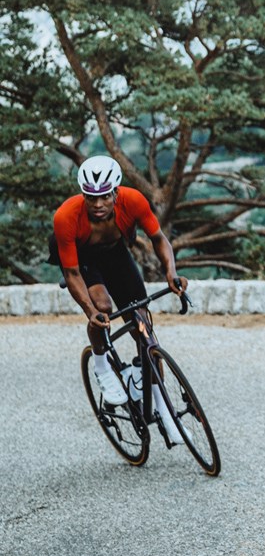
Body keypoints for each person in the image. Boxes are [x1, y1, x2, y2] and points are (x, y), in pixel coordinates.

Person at [49, 154, 187, 444]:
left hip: (114, 253)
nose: (98, 204)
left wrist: (171, 274)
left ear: (116, 191)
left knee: (145, 330)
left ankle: (165, 411)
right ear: (83, 194)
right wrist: (89, 311)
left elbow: (159, 238)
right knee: (102, 307)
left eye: (104, 197)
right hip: (82, 258)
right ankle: (102, 366)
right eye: (91, 197)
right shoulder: (66, 217)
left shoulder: (134, 201)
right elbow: (73, 273)